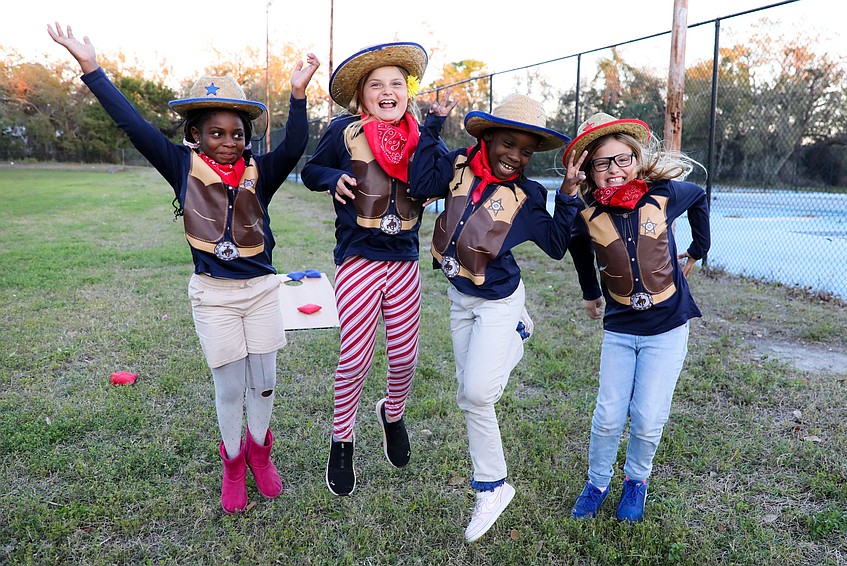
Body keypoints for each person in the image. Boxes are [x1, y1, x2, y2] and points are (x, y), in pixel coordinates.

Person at [47, 22, 319, 514]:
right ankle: (233, 461)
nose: (228, 142)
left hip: (261, 290)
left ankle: (261, 452)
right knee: (230, 385)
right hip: (213, 294)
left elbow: (295, 146)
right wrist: (91, 68)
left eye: (237, 133)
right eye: (215, 132)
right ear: (195, 134)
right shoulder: (179, 166)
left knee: (265, 380)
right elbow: (134, 126)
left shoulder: (262, 171)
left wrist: (297, 95)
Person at [408, 92, 579, 542]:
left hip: (500, 299)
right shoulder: (458, 165)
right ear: (487, 137)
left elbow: (557, 244)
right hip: (459, 296)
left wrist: (569, 196)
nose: (515, 157)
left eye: (526, 151)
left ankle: (494, 485)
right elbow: (420, 182)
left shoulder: (527, 194)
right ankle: (493, 486)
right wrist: (431, 127)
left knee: (477, 392)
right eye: (508, 144)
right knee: (471, 397)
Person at [301, 42, 444, 497]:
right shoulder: (344, 130)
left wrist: (437, 134)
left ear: (408, 92)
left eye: (396, 84)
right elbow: (311, 169)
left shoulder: (420, 135)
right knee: (356, 357)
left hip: (403, 260)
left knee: (405, 356)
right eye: (376, 85)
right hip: (359, 258)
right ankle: (342, 438)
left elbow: (435, 180)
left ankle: (392, 413)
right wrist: (330, 178)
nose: (387, 91)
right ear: (361, 96)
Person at [560, 112, 710, 523]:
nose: (614, 170)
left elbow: (698, 195)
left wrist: (699, 248)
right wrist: (591, 293)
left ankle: (637, 481)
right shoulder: (586, 211)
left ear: (637, 158)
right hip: (622, 328)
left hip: (667, 326)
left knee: (646, 417)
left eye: (622, 159)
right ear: (589, 169)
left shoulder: (662, 194)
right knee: (609, 415)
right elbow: (575, 246)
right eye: (602, 163)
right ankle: (596, 482)